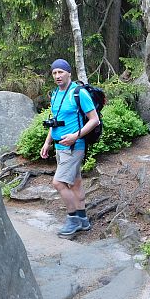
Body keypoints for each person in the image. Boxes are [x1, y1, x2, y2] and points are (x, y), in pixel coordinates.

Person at [40, 59, 100, 236]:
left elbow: (94, 120)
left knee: (58, 183)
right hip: (60, 147)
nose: (57, 76)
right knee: (75, 183)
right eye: (54, 73)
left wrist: (76, 136)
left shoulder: (78, 93)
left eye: (61, 72)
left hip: (74, 146)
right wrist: (47, 142)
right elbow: (55, 121)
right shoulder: (55, 94)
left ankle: (72, 218)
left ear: (68, 73)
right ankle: (82, 220)